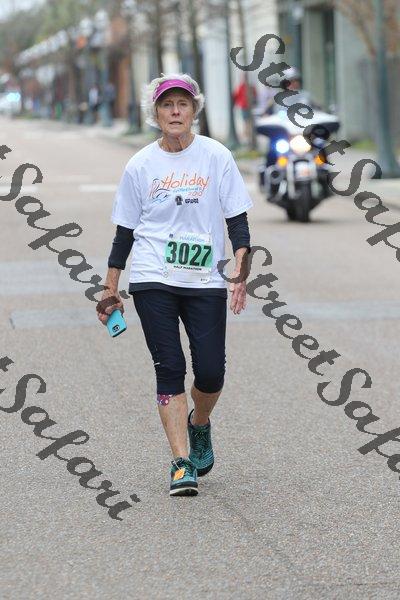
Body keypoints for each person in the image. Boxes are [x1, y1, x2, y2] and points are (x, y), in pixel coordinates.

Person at [97, 73, 253, 497]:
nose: (175, 111)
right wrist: (111, 288)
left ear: (194, 110)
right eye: (167, 105)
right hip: (153, 277)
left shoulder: (216, 157)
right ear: (156, 113)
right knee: (169, 368)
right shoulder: (140, 165)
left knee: (211, 372)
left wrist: (241, 272)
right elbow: (124, 233)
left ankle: (199, 422)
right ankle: (181, 463)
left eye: (183, 104)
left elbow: (237, 222)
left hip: (204, 277)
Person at [232, 76, 256, 144]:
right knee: (247, 122)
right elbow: (236, 95)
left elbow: (236, 95)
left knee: (247, 122)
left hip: (247, 106)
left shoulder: (247, 86)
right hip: (245, 106)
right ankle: (248, 136)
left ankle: (248, 136)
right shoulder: (243, 86)